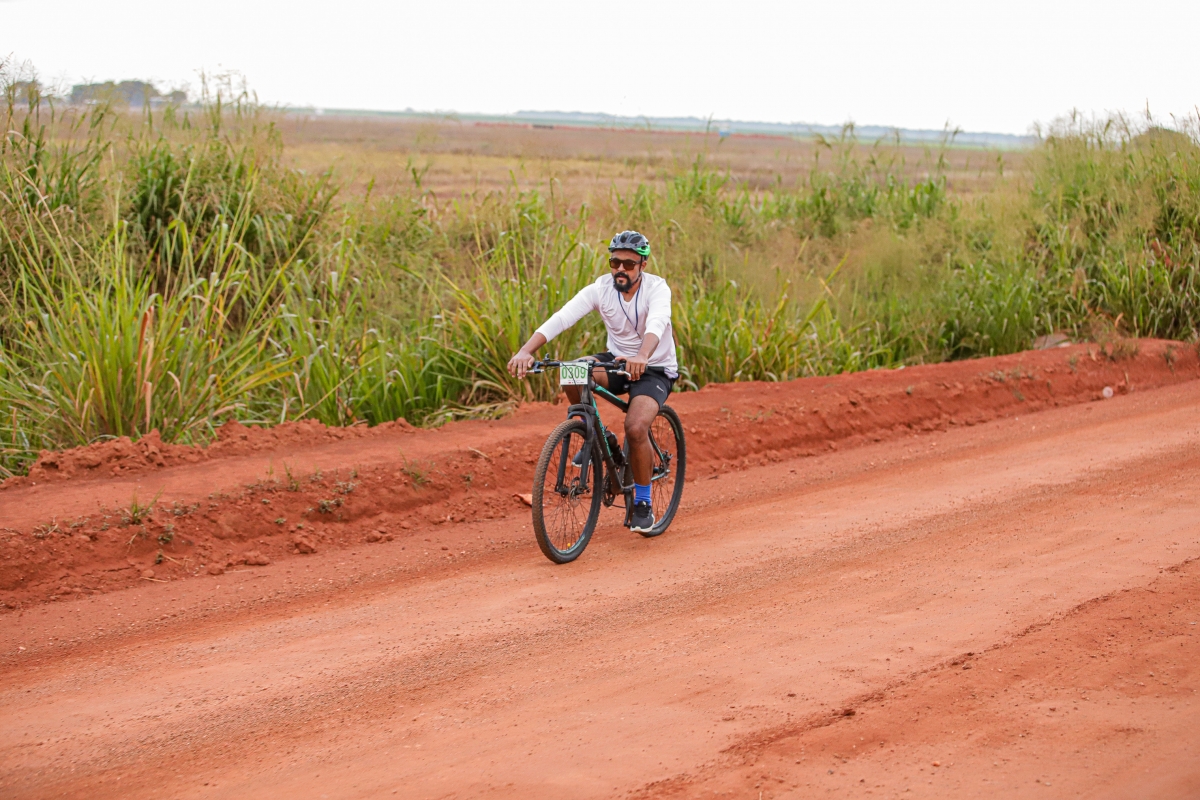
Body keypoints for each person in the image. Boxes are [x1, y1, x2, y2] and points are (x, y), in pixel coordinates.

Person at [507, 230, 678, 533]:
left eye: (628, 264)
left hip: (653, 367)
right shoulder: (601, 289)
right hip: (616, 361)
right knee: (573, 371)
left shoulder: (657, 289)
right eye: (615, 263)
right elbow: (563, 317)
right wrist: (525, 350)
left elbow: (658, 322)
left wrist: (642, 355)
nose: (620, 269)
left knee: (636, 427)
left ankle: (642, 503)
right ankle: (598, 436)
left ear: (643, 265)